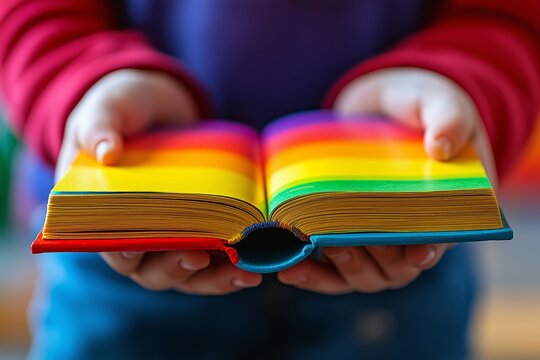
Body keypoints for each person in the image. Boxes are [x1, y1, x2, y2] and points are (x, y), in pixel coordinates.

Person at [1, 0, 539, 358]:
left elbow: (502, 16)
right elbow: (34, 14)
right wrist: (90, 85)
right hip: (128, 258)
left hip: (397, 253)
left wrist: (455, 78)